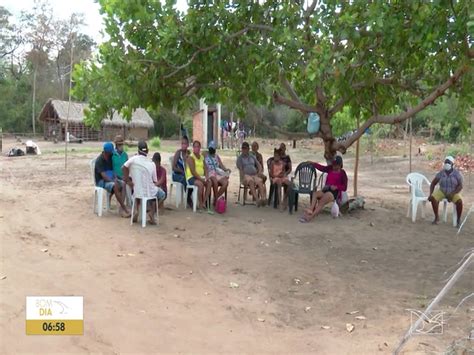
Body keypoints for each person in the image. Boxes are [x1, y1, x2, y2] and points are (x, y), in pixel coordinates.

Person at [122, 141, 166, 224]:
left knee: (137, 191)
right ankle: (151, 213)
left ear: (138, 151)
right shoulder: (151, 163)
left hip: (137, 191)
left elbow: (123, 167)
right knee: (162, 194)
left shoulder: (133, 159)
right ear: (148, 151)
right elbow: (154, 181)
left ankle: (136, 210)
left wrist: (127, 180)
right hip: (149, 192)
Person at [300, 155, 348, 223]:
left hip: (334, 193)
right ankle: (310, 210)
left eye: (336, 165)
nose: (334, 167)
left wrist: (336, 187)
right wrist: (313, 163)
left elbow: (345, 187)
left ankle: (310, 217)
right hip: (326, 189)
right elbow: (321, 168)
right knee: (315, 194)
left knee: (321, 202)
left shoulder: (342, 173)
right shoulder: (330, 168)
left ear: (340, 165)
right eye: (333, 164)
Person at [95, 142, 130, 218]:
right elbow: (104, 177)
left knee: (123, 183)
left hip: (109, 178)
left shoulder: (109, 157)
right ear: (107, 152)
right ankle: (124, 208)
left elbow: (112, 171)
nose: (112, 153)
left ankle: (121, 208)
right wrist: (113, 181)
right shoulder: (99, 161)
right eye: (111, 152)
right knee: (115, 185)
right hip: (101, 181)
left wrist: (116, 178)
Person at [428, 155, 463, 226]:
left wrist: (453, 193)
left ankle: (458, 220)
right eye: (445, 162)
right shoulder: (441, 173)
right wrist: (431, 194)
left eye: (449, 162)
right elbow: (433, 184)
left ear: (452, 164)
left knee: (459, 202)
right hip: (442, 191)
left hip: (453, 191)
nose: (447, 164)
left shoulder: (457, 174)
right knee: (433, 198)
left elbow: (460, 186)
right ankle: (436, 217)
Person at [236, 141, 266, 206]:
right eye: (243, 148)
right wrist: (243, 178)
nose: (244, 150)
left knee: (260, 181)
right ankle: (257, 199)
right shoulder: (240, 159)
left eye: (245, 148)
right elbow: (241, 170)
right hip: (246, 175)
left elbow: (259, 165)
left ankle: (263, 199)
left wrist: (259, 172)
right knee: (251, 181)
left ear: (248, 149)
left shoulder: (252, 156)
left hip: (254, 174)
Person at [186, 140, 211, 211]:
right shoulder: (191, 157)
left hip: (200, 177)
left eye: (198, 147)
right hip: (191, 177)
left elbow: (206, 168)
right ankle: (200, 204)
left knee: (209, 183)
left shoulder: (201, 157)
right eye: (195, 147)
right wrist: (201, 179)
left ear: (200, 148)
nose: (197, 148)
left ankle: (203, 202)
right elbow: (193, 172)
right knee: (200, 184)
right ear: (193, 148)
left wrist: (206, 176)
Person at [204, 140, 231, 207]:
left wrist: (226, 170)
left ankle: (216, 198)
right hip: (209, 172)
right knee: (215, 181)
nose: (212, 150)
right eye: (211, 148)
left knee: (225, 182)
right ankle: (216, 200)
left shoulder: (216, 156)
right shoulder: (205, 155)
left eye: (213, 148)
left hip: (217, 172)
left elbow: (221, 165)